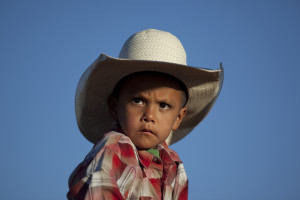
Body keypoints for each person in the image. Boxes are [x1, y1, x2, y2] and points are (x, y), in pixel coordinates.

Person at [67, 29, 224, 200]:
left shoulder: (174, 165)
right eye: (138, 100)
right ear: (114, 107)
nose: (149, 115)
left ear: (178, 118)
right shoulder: (114, 149)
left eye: (163, 105)